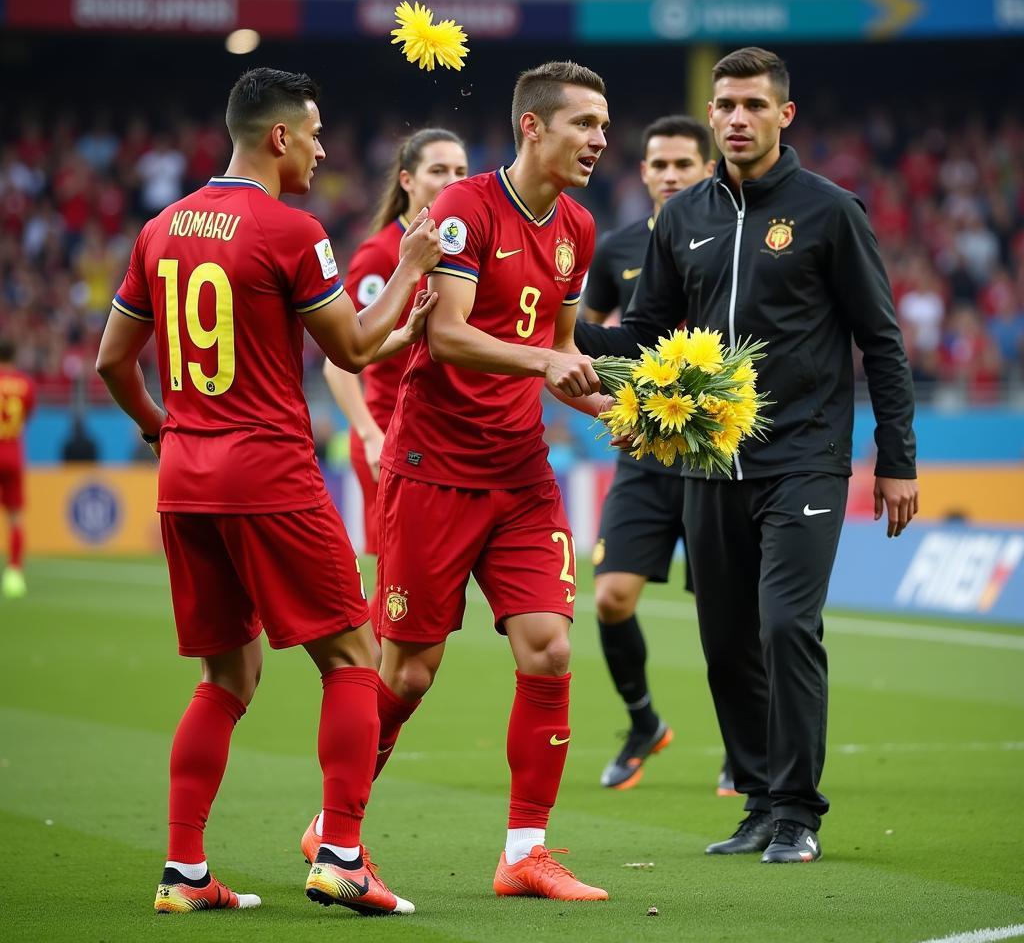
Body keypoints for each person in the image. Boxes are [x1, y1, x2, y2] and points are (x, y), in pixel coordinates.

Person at [95, 67, 441, 915]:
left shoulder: (161, 226)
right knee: (354, 658)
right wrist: (411, 263)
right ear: (279, 136)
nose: (325, 148)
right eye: (316, 133)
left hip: (185, 478)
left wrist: (161, 430)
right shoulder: (291, 230)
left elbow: (112, 362)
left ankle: (182, 872)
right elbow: (354, 349)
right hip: (269, 470)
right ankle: (345, 857)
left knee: (228, 675)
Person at [575, 47, 919, 863]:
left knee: (784, 624)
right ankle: (762, 801)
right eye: (725, 104)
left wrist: (896, 457)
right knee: (725, 638)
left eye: (752, 106)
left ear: (783, 115)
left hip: (803, 457)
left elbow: (883, 339)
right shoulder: (682, 218)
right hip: (702, 462)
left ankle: (799, 811)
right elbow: (644, 332)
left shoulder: (832, 211)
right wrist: (554, 337)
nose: (736, 119)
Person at [302, 60, 610, 901]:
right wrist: (548, 359)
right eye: (584, 123)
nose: (600, 139)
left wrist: (624, 409)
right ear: (533, 128)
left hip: (520, 473)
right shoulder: (462, 210)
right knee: (407, 674)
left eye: (604, 124)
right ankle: (337, 831)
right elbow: (446, 334)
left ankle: (525, 852)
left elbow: (562, 352)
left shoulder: (578, 228)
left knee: (548, 649)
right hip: (431, 469)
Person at [581, 115, 734, 793]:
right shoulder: (616, 249)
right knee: (611, 598)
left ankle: (745, 748)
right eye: (658, 164)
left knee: (729, 617)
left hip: (717, 455)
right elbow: (589, 336)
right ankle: (645, 723)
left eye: (682, 164)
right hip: (646, 450)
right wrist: (613, 405)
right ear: (642, 172)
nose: (669, 174)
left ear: (707, 169)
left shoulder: (737, 239)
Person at [323, 128, 468, 555]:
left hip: (440, 435)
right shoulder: (383, 254)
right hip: (389, 432)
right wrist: (369, 434)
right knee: (401, 578)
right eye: (438, 170)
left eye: (461, 170)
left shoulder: (459, 247)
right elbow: (339, 360)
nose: (452, 181)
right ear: (407, 180)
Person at [0, 341, 35, 600]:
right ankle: (14, 573)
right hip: (12, 453)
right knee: (15, 517)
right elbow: (26, 416)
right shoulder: (25, 384)